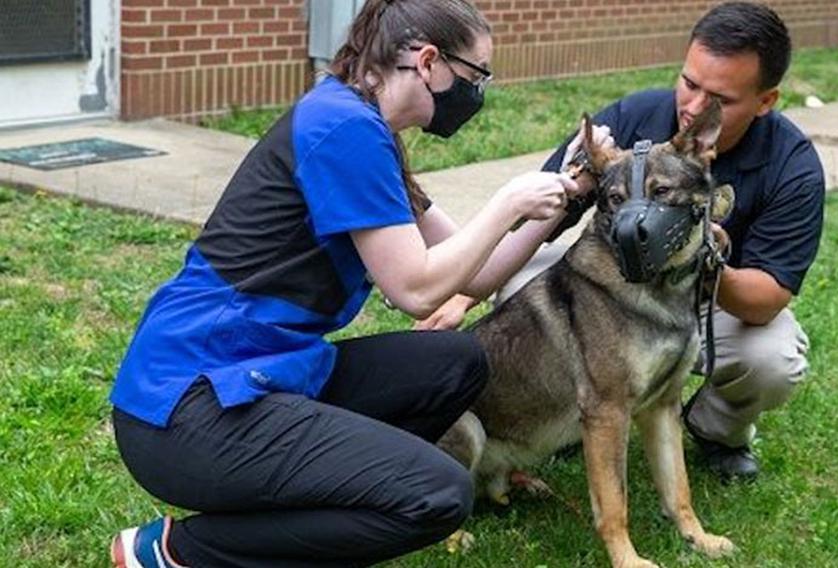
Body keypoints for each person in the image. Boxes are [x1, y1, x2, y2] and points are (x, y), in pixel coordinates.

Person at [106, 1, 612, 566]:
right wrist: (506, 203)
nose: (478, 93)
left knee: (457, 361)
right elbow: (417, 290)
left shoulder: (365, 127)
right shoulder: (344, 128)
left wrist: (565, 197)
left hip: (262, 376)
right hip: (187, 410)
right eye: (476, 76)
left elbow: (474, 271)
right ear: (428, 62)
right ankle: (180, 552)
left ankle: (311, 499)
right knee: (439, 494)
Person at [420, 1, 825, 482]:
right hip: (613, 287)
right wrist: (468, 291)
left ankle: (716, 429)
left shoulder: (792, 167)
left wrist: (701, 253)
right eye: (689, 83)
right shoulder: (634, 118)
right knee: (521, 291)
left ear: (765, 101)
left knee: (772, 359)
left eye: (718, 99)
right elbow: (541, 215)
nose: (693, 108)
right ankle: (570, 417)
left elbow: (765, 300)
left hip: (707, 299)